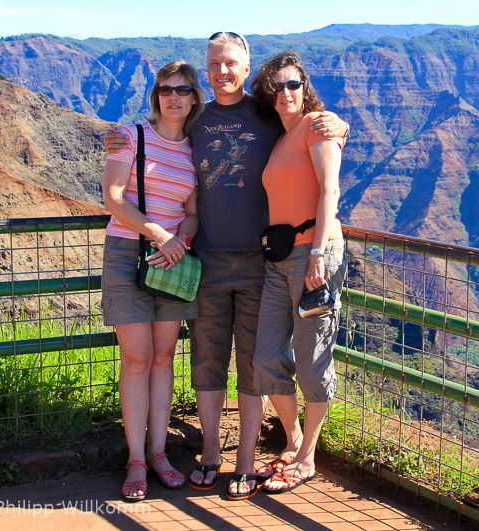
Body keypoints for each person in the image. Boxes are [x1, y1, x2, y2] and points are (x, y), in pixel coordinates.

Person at [104, 31, 348, 500]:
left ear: (245, 65)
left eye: (231, 62)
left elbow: (310, 129)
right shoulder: (196, 116)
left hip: (264, 261)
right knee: (208, 360)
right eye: (214, 63)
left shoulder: (266, 111)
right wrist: (116, 136)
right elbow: (159, 132)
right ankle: (213, 453)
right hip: (206, 261)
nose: (222, 71)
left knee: (256, 364)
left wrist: (339, 125)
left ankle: (246, 460)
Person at [101, 60, 205, 502]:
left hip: (174, 259)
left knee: (164, 357)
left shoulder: (194, 149)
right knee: (138, 359)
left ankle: (160, 454)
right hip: (129, 255)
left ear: (194, 97)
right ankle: (136, 458)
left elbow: (195, 213)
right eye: (166, 90)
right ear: (156, 95)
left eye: (182, 90)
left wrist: (179, 239)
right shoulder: (130, 136)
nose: (174, 97)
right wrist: (160, 235)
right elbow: (112, 198)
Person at [249, 50, 347, 494]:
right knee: (266, 358)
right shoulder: (281, 135)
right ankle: (291, 440)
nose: (285, 92)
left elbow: (330, 189)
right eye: (276, 86)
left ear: (305, 87)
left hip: (314, 255)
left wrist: (318, 255)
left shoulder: (318, 125)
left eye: (293, 84)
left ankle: (307, 456)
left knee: (311, 359)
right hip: (278, 260)